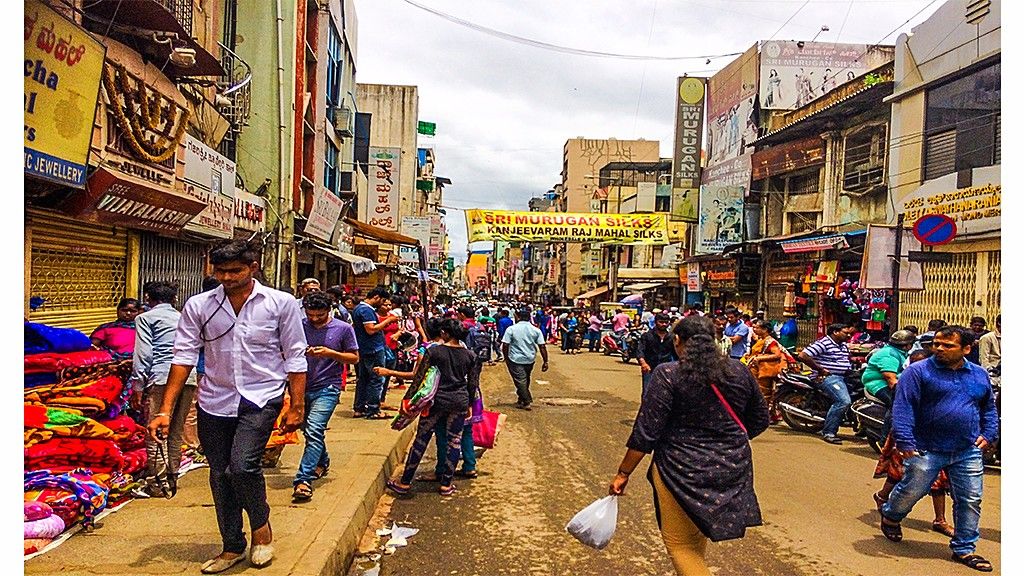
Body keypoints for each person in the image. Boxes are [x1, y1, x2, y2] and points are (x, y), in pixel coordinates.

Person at [149, 240, 307, 573]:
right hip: (214, 399)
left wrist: (297, 404)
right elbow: (183, 357)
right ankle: (232, 545)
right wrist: (165, 410)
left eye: (234, 271)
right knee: (220, 475)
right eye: (220, 271)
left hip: (261, 397)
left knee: (243, 466)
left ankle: (261, 529)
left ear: (253, 266)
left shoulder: (281, 303)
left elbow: (295, 355)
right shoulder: (199, 305)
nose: (227, 277)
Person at [609, 316, 770, 576]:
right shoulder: (739, 371)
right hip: (731, 466)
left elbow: (646, 431)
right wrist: (725, 443)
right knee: (695, 538)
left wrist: (623, 473)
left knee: (681, 545)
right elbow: (760, 419)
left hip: (679, 469)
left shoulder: (669, 374)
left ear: (677, 341)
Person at [880, 326, 999, 572]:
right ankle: (891, 515)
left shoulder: (978, 374)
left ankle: (964, 549)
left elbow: (988, 407)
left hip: (967, 449)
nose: (939, 349)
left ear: (966, 349)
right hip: (926, 448)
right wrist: (905, 442)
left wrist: (989, 433)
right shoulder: (917, 372)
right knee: (912, 490)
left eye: (947, 345)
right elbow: (904, 407)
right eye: (936, 344)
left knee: (970, 499)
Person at [386, 319, 477, 497]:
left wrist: (407, 400)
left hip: (435, 402)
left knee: (421, 440)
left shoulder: (434, 351)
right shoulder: (470, 355)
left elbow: (419, 378)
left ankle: (405, 482)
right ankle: (446, 485)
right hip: (458, 401)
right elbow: (472, 383)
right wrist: (469, 405)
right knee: (454, 442)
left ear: (444, 333)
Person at [872, 348, 956, 541]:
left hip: (934, 438)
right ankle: (884, 498)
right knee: (898, 473)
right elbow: (899, 412)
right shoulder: (905, 383)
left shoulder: (941, 382)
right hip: (908, 436)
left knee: (938, 478)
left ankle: (940, 519)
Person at [291, 292, 359, 502]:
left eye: (319, 315)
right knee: (309, 430)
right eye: (311, 315)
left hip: (328, 387)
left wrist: (330, 353)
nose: (314, 319)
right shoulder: (299, 326)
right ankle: (323, 460)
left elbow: (354, 357)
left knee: (314, 428)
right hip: (300, 387)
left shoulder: (343, 329)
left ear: (329, 310)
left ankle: (303, 480)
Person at [132, 281, 196, 497]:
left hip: (161, 377)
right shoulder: (183, 318)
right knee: (176, 431)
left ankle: (157, 483)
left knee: (155, 431)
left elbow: (143, 355)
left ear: (148, 298)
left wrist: (138, 384)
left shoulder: (145, 318)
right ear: (174, 299)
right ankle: (173, 477)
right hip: (188, 376)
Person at [798, 323, 854, 445]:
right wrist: (820, 369)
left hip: (844, 376)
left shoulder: (843, 345)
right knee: (843, 401)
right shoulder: (823, 343)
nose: (849, 335)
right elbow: (803, 355)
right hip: (827, 377)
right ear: (835, 332)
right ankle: (829, 432)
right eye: (846, 332)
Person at [351, 287, 400, 420]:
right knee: (376, 379)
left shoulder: (359, 309)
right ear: (377, 297)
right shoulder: (366, 310)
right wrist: (388, 321)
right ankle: (373, 409)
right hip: (372, 348)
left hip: (365, 348)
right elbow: (371, 330)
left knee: (364, 379)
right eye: (383, 300)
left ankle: (360, 408)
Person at [862, 330, 917, 440]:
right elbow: (890, 378)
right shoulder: (889, 354)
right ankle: (884, 439)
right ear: (907, 345)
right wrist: (899, 392)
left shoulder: (900, 353)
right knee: (897, 405)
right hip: (878, 384)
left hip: (895, 382)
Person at [501, 308, 549, 410]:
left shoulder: (511, 329)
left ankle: (527, 400)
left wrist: (506, 358)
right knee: (524, 379)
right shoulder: (536, 330)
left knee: (521, 380)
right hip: (530, 358)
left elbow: (505, 345)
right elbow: (542, 346)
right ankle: (521, 399)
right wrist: (545, 361)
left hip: (515, 359)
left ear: (518, 317)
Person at [745, 319, 786, 424]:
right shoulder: (760, 339)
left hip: (764, 372)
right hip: (756, 370)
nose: (754, 329)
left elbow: (777, 355)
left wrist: (760, 358)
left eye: (757, 327)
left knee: (763, 394)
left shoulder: (770, 341)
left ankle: (764, 416)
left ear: (765, 329)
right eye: (754, 327)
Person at [638, 313, 678, 399]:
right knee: (647, 392)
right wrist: (643, 363)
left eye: (666, 322)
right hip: (649, 369)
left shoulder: (671, 337)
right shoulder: (647, 336)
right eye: (661, 322)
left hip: (665, 370)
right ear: (656, 322)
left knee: (665, 393)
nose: (664, 324)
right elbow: (640, 351)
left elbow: (676, 354)